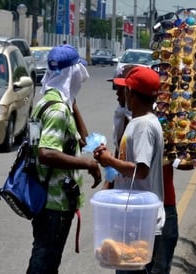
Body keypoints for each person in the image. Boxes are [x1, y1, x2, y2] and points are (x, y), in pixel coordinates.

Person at [26, 44, 102, 274]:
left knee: (48, 261)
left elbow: (82, 140)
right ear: (72, 73)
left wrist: (73, 102)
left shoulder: (48, 101)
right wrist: (88, 164)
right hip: (54, 202)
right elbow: (46, 153)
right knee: (44, 262)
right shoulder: (57, 111)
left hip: (44, 195)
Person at [104, 65, 179, 274]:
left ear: (131, 92)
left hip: (140, 222)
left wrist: (109, 160)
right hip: (134, 219)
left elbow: (141, 170)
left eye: (125, 89)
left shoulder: (144, 126)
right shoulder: (140, 122)